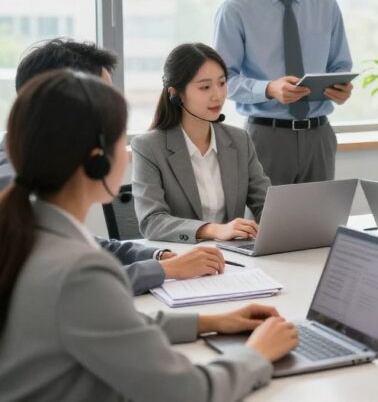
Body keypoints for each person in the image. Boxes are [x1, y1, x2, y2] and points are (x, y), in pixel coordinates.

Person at [0, 70, 298, 401]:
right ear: (97, 161)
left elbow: (111, 325)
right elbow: (187, 392)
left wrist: (212, 321)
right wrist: (256, 354)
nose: (127, 153)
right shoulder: (77, 271)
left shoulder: (27, 233)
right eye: (121, 141)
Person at [0, 38, 225, 294]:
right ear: (63, 105)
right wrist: (167, 270)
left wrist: (158, 256)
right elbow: (74, 285)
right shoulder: (12, 185)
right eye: (101, 97)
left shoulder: (41, 166)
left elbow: (84, 245)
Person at [213, 0, 352, 185]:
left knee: (320, 224)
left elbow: (340, 65)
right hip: (266, 138)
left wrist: (341, 89)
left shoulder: (326, 5)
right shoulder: (236, 9)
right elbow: (222, 80)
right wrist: (269, 88)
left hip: (319, 136)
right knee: (265, 227)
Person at [133, 43, 271, 244]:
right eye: (205, 87)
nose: (218, 95)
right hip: (183, 259)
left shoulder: (240, 140)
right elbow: (152, 222)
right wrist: (214, 230)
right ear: (176, 93)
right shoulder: (148, 147)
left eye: (222, 83)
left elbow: (266, 205)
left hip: (235, 258)